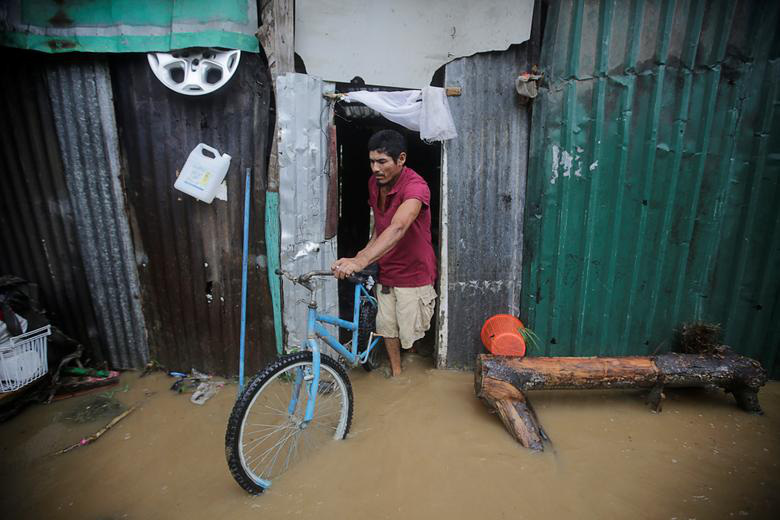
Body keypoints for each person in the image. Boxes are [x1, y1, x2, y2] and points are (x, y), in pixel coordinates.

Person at [331, 129, 437, 376]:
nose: (375, 168)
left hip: (414, 272)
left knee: (411, 333)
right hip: (387, 269)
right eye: (372, 161)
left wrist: (362, 260)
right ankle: (398, 373)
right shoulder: (373, 184)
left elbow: (398, 226)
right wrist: (360, 255)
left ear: (401, 159)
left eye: (382, 162)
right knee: (387, 326)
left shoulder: (416, 187)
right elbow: (382, 226)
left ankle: (413, 353)